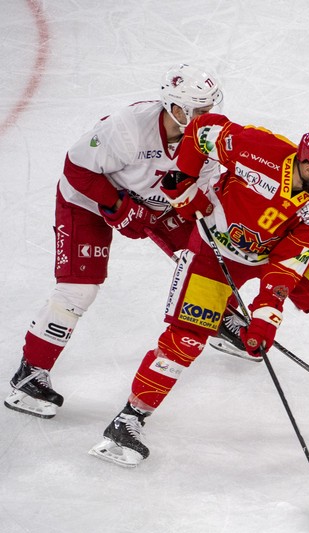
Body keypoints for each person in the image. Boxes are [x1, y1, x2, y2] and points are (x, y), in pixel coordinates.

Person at [88, 115, 309, 467]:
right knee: (185, 339)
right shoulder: (258, 149)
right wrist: (184, 184)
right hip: (213, 251)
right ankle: (128, 419)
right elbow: (203, 129)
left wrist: (266, 316)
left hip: (272, 253)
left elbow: (287, 262)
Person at [4, 64, 252, 420]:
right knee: (79, 291)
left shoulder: (209, 138)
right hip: (87, 201)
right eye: (193, 111)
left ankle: (219, 319)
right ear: (172, 107)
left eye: (207, 110)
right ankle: (29, 374)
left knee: (207, 258)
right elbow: (77, 169)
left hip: (157, 201)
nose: (202, 118)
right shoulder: (126, 127)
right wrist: (120, 206)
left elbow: (203, 190)